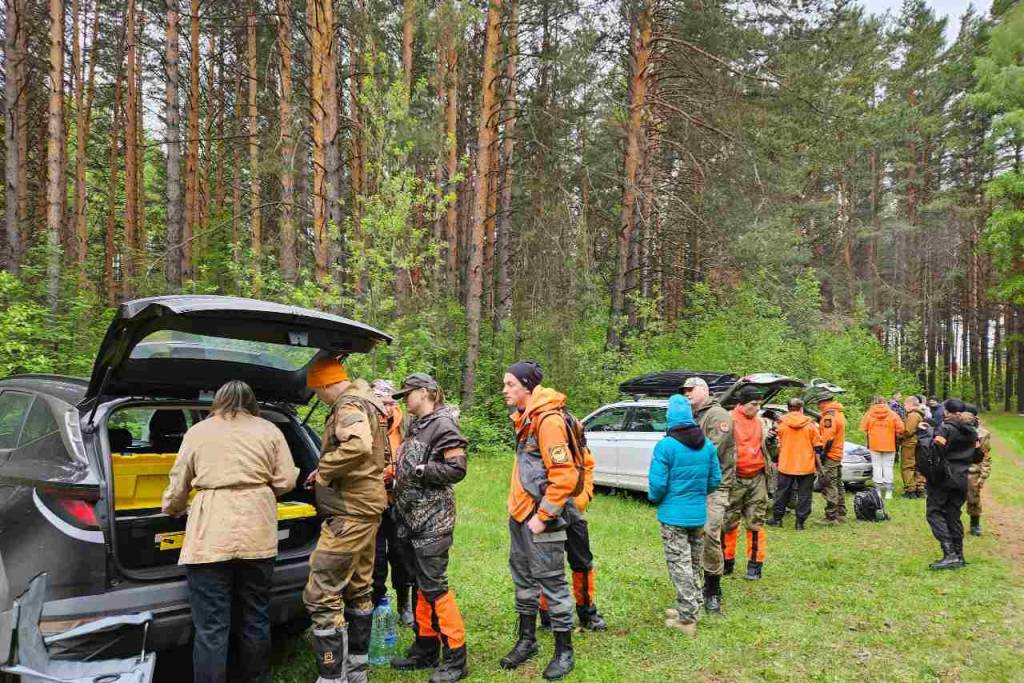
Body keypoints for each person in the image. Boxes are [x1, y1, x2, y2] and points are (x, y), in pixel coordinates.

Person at [161, 380, 298, 683]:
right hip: (257, 535)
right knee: (255, 616)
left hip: (211, 535)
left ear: (218, 401)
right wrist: (262, 491)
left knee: (211, 625)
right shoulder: (269, 430)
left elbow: (178, 482)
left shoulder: (199, 432)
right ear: (251, 402)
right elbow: (287, 479)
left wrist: (172, 508)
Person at [303, 356, 390, 683]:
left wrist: (326, 469)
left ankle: (332, 678)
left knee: (322, 592)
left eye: (317, 391)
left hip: (349, 511)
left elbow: (359, 445)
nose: (318, 398)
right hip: (364, 509)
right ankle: (356, 672)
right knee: (358, 588)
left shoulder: (347, 405)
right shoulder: (367, 400)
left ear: (326, 384)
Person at [499, 361, 579, 681]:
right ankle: (527, 640)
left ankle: (564, 650)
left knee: (553, 583)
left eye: (510, 385)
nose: (504, 390)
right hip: (520, 514)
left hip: (540, 518)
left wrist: (543, 516)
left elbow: (565, 474)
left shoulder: (547, 421)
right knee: (523, 580)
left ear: (527, 387)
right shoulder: (526, 418)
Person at [388, 374, 470, 683]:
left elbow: (457, 468)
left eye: (408, 394)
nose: (404, 400)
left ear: (425, 393)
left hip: (433, 520)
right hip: (410, 519)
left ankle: (456, 657)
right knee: (421, 585)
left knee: (435, 587)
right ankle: (425, 648)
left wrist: (423, 471)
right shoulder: (417, 425)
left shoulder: (444, 426)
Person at [649, 394, 721, 637]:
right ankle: (691, 607)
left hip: (673, 515)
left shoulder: (666, 446)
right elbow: (715, 480)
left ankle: (687, 619)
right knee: (693, 561)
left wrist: (657, 499)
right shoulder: (707, 445)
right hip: (697, 514)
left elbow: (657, 485)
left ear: (669, 418)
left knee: (678, 564)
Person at [539, 437, 609, 632]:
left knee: (583, 563)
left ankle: (587, 611)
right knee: (548, 565)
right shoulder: (538, 425)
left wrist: (583, 496)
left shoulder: (570, 425)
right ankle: (548, 614)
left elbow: (586, 465)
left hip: (573, 510)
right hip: (546, 508)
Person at [680, 377, 734, 615]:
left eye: (691, 389)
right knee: (690, 534)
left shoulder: (717, 415)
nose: (687, 393)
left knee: (710, 532)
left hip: (715, 485)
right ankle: (693, 582)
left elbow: (712, 448)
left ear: (705, 390)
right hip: (693, 485)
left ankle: (713, 589)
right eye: (684, 391)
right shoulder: (691, 416)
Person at [370, 379, 415, 626]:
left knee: (401, 554)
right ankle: (377, 603)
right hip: (373, 502)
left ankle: (404, 603)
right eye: (380, 402)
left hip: (400, 501)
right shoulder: (365, 423)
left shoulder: (406, 425)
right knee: (375, 558)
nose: (385, 408)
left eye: (389, 402)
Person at [925, 399, 979, 570]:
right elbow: (978, 456)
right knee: (953, 515)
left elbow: (935, 451)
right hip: (962, 478)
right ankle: (959, 555)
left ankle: (949, 554)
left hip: (944, 478)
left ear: (947, 412)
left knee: (934, 512)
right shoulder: (972, 431)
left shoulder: (945, 428)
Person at [722, 388, 769, 580]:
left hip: (757, 477)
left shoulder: (760, 422)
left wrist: (772, 443)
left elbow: (765, 449)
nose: (757, 408)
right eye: (754, 405)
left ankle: (755, 566)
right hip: (735, 479)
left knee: (756, 523)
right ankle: (726, 561)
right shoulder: (728, 420)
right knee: (728, 522)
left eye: (759, 405)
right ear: (742, 403)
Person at [768, 398, 822, 530]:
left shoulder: (780, 423)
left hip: (786, 464)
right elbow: (818, 447)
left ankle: (777, 519)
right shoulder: (811, 425)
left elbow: (773, 443)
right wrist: (820, 466)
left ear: (788, 408)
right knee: (804, 494)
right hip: (806, 465)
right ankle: (800, 523)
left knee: (781, 493)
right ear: (801, 409)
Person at [859, 396, 905, 500]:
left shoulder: (869, 414)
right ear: (885, 402)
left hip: (874, 445)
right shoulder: (892, 414)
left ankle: (878, 492)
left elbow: (863, 428)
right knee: (888, 467)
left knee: (877, 467)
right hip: (889, 444)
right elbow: (901, 429)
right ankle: (889, 492)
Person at [813, 387, 847, 524]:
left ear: (823, 402)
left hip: (831, 455)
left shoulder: (829, 416)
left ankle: (831, 516)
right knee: (838, 483)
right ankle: (841, 513)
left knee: (828, 483)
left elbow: (827, 438)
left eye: (818, 403)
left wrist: (821, 454)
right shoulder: (839, 413)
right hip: (837, 453)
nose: (817, 406)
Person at [961, 404, 992, 537]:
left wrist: (983, 475)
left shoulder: (983, 434)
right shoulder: (954, 429)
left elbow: (986, 456)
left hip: (972, 471)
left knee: (973, 498)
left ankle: (975, 524)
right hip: (955, 469)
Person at [900, 396, 928, 499]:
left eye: (905, 404)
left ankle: (910, 489)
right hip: (918, 443)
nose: (904, 407)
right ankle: (920, 488)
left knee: (908, 465)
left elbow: (908, 431)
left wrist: (899, 435)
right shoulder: (919, 414)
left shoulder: (912, 415)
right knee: (918, 465)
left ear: (911, 404)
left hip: (909, 443)